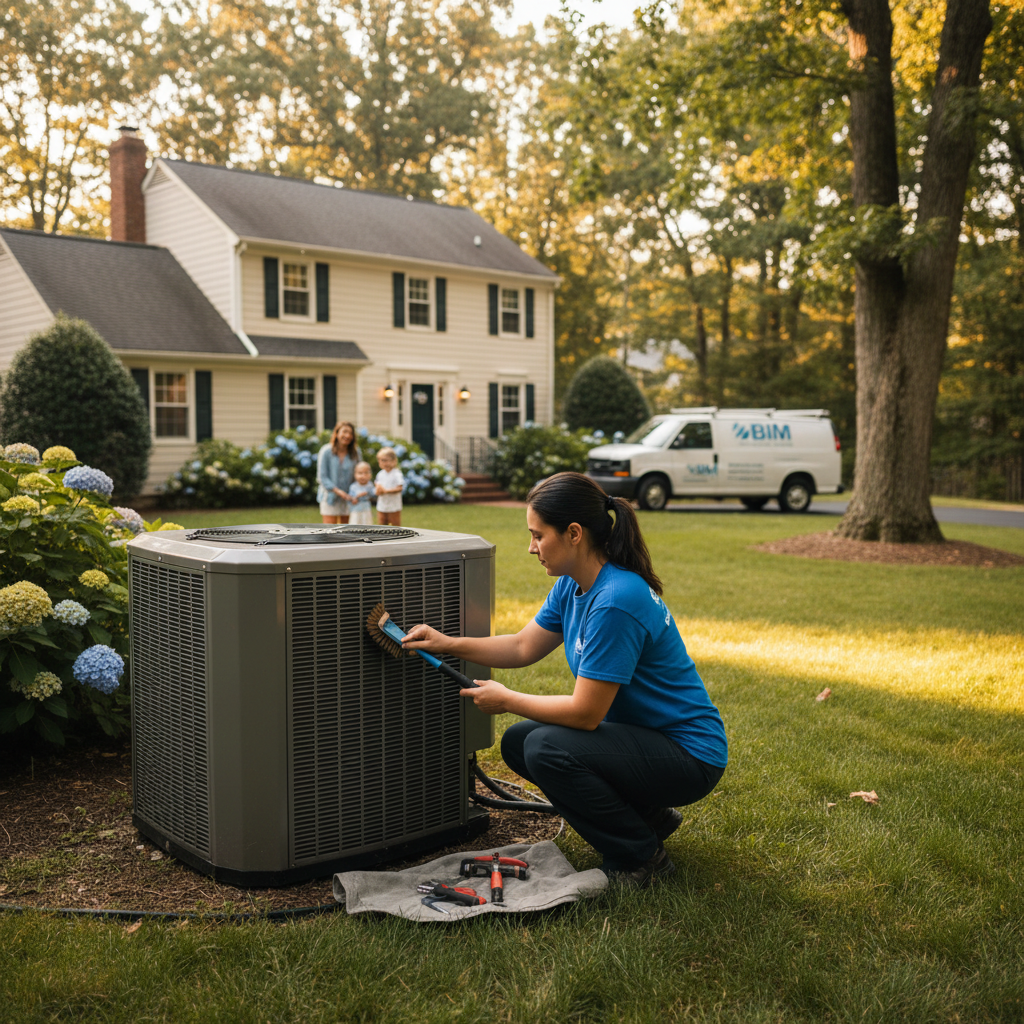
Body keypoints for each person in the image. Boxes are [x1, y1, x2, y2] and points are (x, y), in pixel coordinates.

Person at [403, 471, 727, 886]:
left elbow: (585, 714)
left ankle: (642, 858)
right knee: (519, 742)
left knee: (546, 748)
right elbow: (522, 647)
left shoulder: (615, 601)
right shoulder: (574, 585)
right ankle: (648, 818)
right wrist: (447, 644)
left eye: (539, 536)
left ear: (574, 533)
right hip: (647, 739)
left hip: (690, 756)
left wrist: (506, 699)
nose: (531, 547)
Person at [317, 422, 360, 524]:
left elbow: (359, 473)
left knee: (346, 533)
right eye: (344, 432)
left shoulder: (356, 452)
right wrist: (338, 492)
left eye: (350, 433)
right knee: (329, 532)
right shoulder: (326, 451)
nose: (348, 435)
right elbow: (322, 477)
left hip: (349, 498)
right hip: (330, 497)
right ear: (336, 433)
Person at [374, 447, 404, 526]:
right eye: (382, 460)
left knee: (395, 525)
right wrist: (378, 489)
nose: (384, 463)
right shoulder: (380, 474)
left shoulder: (397, 474)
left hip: (394, 506)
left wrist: (387, 491)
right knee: (382, 524)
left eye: (386, 460)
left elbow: (400, 487)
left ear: (394, 461)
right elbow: (377, 484)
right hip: (382, 505)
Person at [347, 461, 375, 526]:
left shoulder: (370, 485)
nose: (363, 476)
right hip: (356, 511)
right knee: (355, 525)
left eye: (366, 473)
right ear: (355, 474)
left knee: (367, 525)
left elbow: (373, 495)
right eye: (360, 473)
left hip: (366, 510)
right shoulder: (353, 487)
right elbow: (350, 499)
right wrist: (354, 498)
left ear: (370, 474)